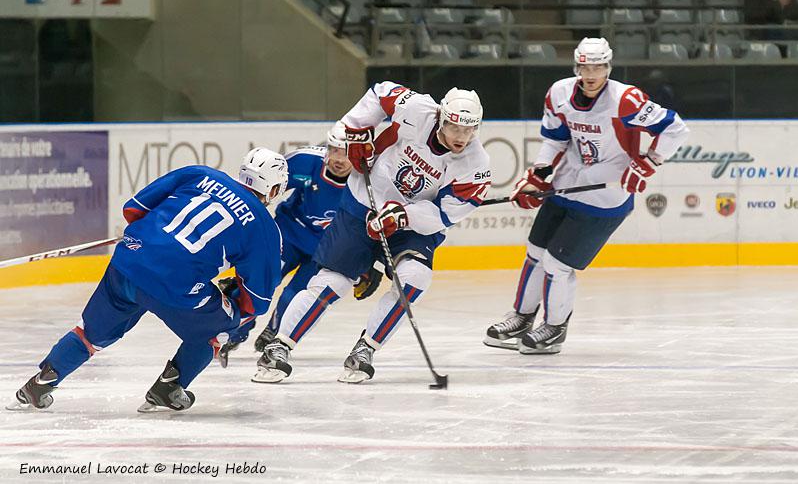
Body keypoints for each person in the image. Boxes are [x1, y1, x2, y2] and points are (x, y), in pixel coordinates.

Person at [7, 148, 289, 412]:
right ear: (274, 189)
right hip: (176, 287)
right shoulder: (266, 228)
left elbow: (134, 209)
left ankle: (39, 383)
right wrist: (231, 303)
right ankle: (169, 387)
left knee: (90, 333)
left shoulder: (200, 173)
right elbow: (258, 300)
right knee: (219, 331)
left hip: (129, 261)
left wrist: (153, 241)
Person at [252, 82, 491, 384]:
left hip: (413, 226)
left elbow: (445, 214)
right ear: (442, 117)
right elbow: (380, 93)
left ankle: (366, 349)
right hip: (365, 201)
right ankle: (280, 346)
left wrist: (404, 216)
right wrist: (355, 132)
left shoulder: (476, 165)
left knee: (415, 279)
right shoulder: (417, 108)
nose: (461, 137)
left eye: (469, 130)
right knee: (333, 282)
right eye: (455, 127)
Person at [484, 37, 689, 354]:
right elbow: (555, 140)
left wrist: (648, 161)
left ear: (609, 67)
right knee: (535, 252)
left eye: (599, 66)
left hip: (605, 196)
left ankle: (554, 328)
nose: (591, 74)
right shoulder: (560, 93)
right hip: (567, 183)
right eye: (585, 66)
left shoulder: (627, 99)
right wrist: (538, 176)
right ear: (576, 67)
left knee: (557, 264)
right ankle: (522, 317)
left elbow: (674, 128)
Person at [219, 122, 369, 362]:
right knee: (258, 283)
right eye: (334, 150)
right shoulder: (304, 161)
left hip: (325, 249)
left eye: (345, 152)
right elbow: (264, 190)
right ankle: (233, 331)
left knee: (296, 293)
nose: (338, 158)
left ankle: (274, 331)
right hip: (286, 236)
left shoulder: (364, 184)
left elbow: (367, 226)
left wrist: (367, 266)